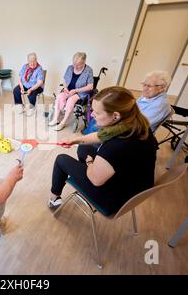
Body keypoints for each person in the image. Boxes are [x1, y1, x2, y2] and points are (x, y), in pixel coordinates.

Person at [48, 86, 157, 216]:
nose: (92, 115)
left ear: (115, 115)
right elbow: (100, 136)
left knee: (62, 159)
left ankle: (53, 199)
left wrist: (90, 164)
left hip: (114, 199)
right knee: (84, 148)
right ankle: (90, 172)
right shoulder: (137, 126)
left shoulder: (115, 146)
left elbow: (96, 180)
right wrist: (76, 139)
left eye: (97, 112)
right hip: (134, 187)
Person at [49, 52, 94, 131]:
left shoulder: (88, 70)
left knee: (70, 100)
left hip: (80, 93)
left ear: (84, 62)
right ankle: (55, 119)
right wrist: (65, 87)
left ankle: (62, 123)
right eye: (74, 64)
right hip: (68, 90)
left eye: (78, 64)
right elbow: (64, 80)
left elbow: (90, 86)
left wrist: (76, 90)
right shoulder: (70, 68)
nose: (75, 66)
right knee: (59, 96)